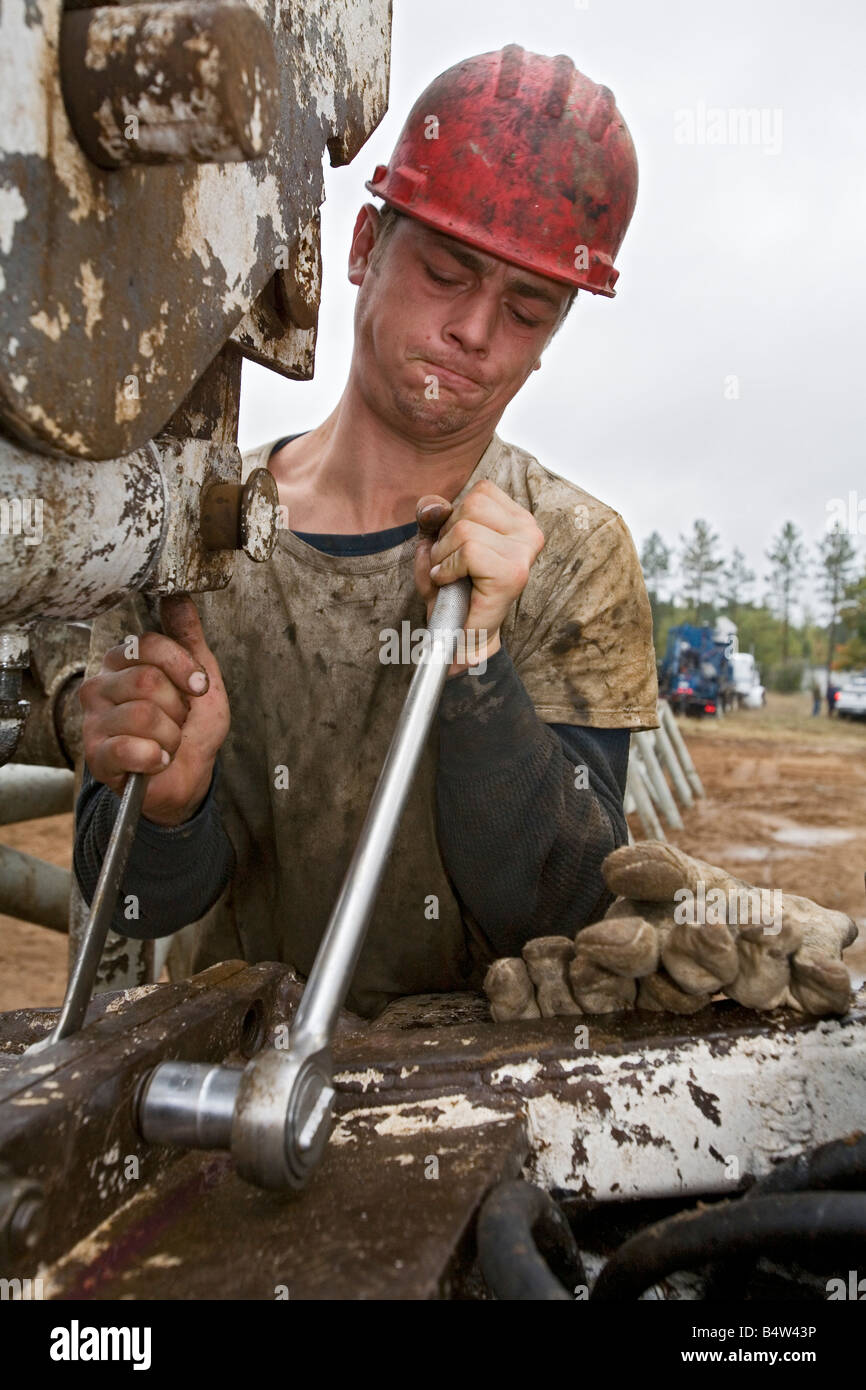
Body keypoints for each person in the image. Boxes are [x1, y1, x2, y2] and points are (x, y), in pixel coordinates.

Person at [74, 46, 658, 1019]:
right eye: (443, 270)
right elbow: (136, 899)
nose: (473, 330)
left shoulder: (576, 552)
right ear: (359, 248)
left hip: (479, 1084)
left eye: (525, 309)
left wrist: (474, 662)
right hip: (237, 1075)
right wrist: (168, 807)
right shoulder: (198, 531)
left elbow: (562, 906)